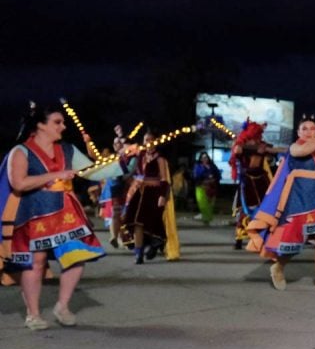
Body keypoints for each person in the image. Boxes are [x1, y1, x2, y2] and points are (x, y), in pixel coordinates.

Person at [1, 103, 121, 329]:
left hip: (66, 212)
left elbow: (95, 172)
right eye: (57, 122)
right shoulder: (21, 151)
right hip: (33, 211)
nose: (63, 127)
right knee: (35, 263)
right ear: (40, 125)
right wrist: (55, 174)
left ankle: (62, 306)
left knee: (78, 256)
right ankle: (33, 314)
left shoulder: (68, 150)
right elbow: (19, 183)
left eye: (63, 122)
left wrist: (123, 159)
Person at [246, 115, 315, 292]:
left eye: (312, 129)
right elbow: (300, 152)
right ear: (298, 132)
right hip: (298, 200)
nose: (309, 132)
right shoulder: (296, 146)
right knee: (293, 239)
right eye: (305, 129)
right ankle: (278, 266)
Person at [121, 131, 180, 263]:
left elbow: (164, 180)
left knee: (150, 222)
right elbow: (126, 165)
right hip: (140, 192)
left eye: (149, 139)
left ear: (155, 141)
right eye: (145, 139)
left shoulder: (160, 159)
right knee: (136, 221)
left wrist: (162, 196)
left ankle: (154, 245)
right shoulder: (140, 157)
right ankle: (138, 253)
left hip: (154, 193)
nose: (147, 142)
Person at [230, 121, 280, 249]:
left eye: (257, 135)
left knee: (264, 209)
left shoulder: (262, 145)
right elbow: (236, 152)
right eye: (253, 136)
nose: (255, 138)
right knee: (244, 210)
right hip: (247, 180)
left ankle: (262, 236)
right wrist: (242, 147)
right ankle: (240, 237)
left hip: (261, 181)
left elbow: (273, 151)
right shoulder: (240, 146)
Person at [193, 151, 221, 225]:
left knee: (210, 204)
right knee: (202, 203)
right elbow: (196, 176)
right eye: (203, 158)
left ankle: (207, 219)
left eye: (206, 157)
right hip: (201, 186)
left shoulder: (212, 166)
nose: (205, 159)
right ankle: (205, 218)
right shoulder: (198, 166)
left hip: (211, 187)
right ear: (201, 159)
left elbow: (218, 175)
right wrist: (203, 169)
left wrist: (213, 179)